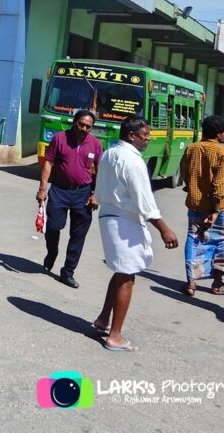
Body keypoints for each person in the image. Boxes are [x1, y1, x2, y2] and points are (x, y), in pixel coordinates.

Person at [92, 116, 179, 352]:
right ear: (131, 136)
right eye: (145, 135)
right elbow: (145, 202)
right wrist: (164, 229)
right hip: (123, 221)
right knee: (127, 276)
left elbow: (99, 185)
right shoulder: (132, 161)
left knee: (122, 272)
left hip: (109, 216)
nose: (148, 139)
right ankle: (115, 336)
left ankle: (103, 320)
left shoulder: (110, 152)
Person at [35, 109, 102, 288]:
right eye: (81, 124)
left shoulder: (95, 144)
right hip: (59, 190)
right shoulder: (60, 138)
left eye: (88, 126)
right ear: (74, 122)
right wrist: (43, 189)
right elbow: (48, 162)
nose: (84, 129)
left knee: (78, 235)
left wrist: (97, 194)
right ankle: (52, 252)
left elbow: (100, 170)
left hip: (83, 194)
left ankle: (68, 272)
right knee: (53, 227)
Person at [180, 115, 224, 297]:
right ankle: (218, 283)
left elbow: (185, 174)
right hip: (216, 208)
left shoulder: (191, 148)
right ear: (218, 133)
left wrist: (193, 187)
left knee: (193, 239)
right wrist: (215, 211)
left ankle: (190, 283)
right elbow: (218, 185)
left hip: (195, 204)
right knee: (222, 243)